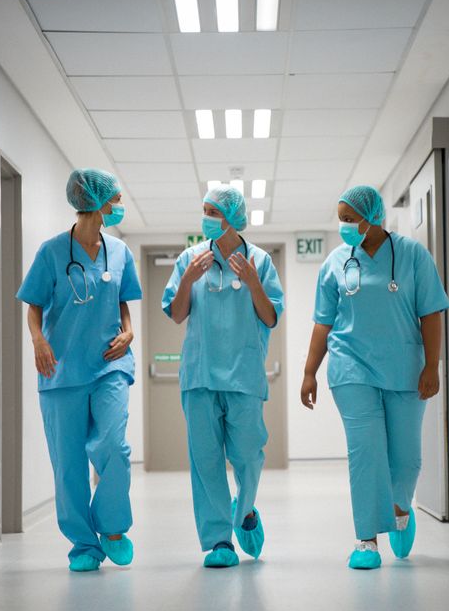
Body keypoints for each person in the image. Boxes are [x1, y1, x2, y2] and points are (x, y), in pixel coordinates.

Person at [300, 185, 449, 570]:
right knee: (365, 453)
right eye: (341, 219)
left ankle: (400, 508)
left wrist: (432, 365)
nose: (344, 227)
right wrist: (309, 372)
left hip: (405, 368)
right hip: (351, 369)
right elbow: (322, 322)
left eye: (350, 219)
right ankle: (366, 540)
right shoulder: (335, 262)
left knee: (406, 460)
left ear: (373, 217)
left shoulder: (413, 255)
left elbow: (431, 313)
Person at [17, 168, 142, 572]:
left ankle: (113, 525)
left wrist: (129, 331)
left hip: (110, 365)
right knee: (68, 465)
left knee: (113, 446)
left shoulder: (119, 251)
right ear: (98, 202)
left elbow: (123, 301)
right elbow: (34, 305)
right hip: (62, 371)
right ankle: (84, 546)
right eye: (116, 198)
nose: (119, 204)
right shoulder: (52, 252)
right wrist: (38, 340)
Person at [162, 185, 284, 568]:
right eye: (204, 211)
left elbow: (270, 317)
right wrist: (186, 280)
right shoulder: (189, 259)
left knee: (249, 454)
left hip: (244, 375)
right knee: (206, 461)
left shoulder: (260, 261)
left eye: (212, 211)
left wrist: (252, 282)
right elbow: (177, 313)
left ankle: (245, 510)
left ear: (232, 217)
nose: (206, 218)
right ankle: (219, 542)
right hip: (199, 376)